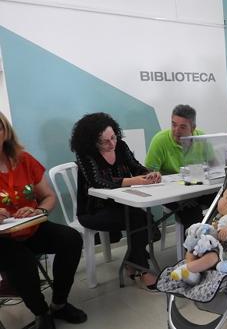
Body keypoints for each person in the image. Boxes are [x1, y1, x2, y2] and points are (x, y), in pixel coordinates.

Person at [0, 112, 87, 329]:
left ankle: (59, 304)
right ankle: (41, 312)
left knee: (71, 239)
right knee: (21, 261)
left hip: (31, 228)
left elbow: (49, 197)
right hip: (3, 239)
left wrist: (37, 211)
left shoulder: (24, 160)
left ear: (5, 131)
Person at [70, 112, 161, 289]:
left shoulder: (120, 146)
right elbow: (97, 182)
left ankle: (131, 260)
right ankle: (142, 268)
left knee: (141, 219)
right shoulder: (85, 154)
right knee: (139, 219)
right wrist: (131, 181)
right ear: (91, 142)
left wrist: (148, 174)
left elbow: (136, 167)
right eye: (105, 141)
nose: (112, 143)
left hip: (122, 204)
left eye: (113, 137)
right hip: (93, 210)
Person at [145, 104, 214, 228]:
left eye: (182, 127)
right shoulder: (159, 140)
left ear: (193, 128)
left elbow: (213, 166)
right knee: (192, 213)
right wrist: (181, 196)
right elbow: (149, 173)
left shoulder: (202, 138)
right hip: (171, 193)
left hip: (197, 188)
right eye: (174, 124)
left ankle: (218, 240)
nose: (176, 130)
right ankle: (193, 246)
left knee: (222, 202)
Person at [170, 186, 227, 284]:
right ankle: (193, 274)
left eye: (222, 197)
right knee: (191, 251)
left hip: (224, 251)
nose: (219, 199)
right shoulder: (220, 216)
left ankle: (186, 268)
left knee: (212, 257)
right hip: (209, 244)